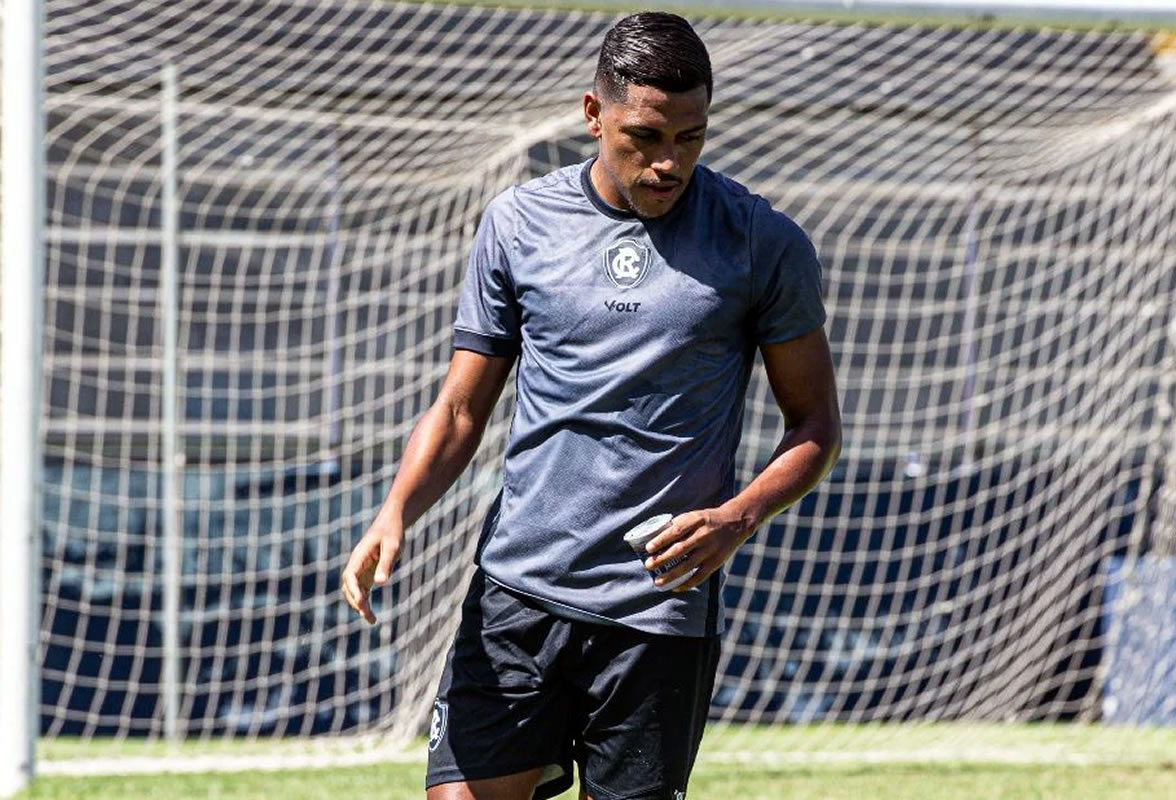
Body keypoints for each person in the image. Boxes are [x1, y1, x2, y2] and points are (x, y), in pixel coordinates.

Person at [341, 11, 841, 800]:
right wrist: (395, 510)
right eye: (645, 136)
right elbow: (462, 409)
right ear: (593, 114)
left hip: (657, 610)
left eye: (691, 137)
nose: (669, 162)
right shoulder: (518, 223)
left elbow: (815, 425)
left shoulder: (761, 240)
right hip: (519, 590)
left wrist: (737, 518)